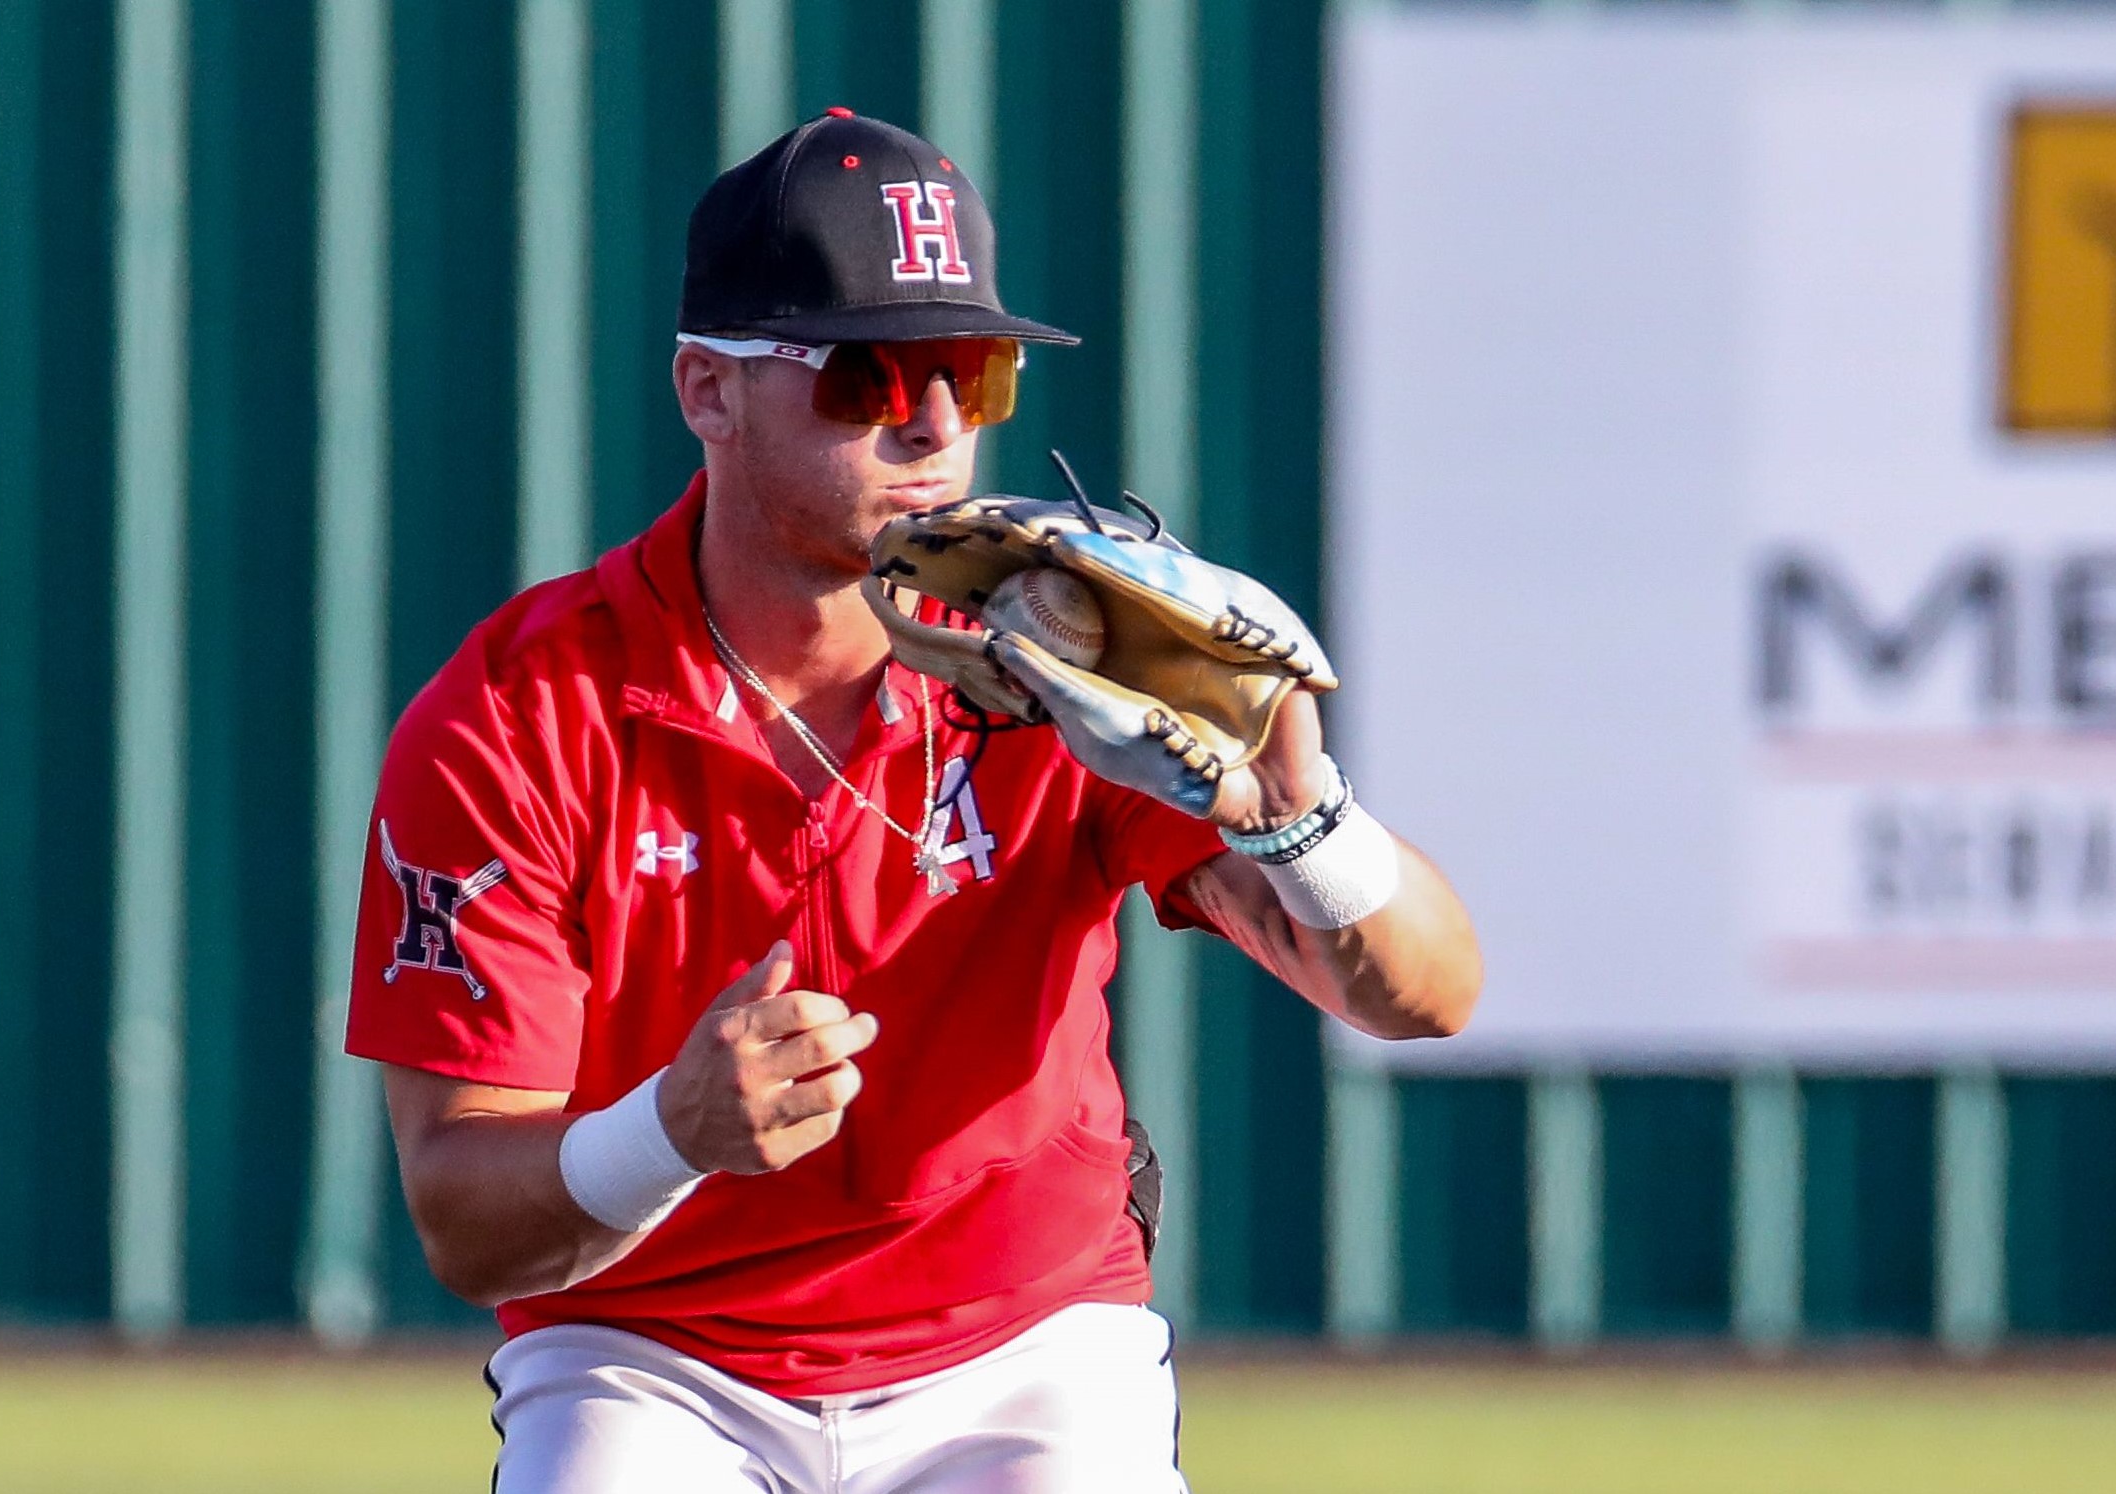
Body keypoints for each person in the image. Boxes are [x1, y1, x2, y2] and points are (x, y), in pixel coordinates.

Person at [348, 110, 1481, 1494]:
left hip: (1019, 1341)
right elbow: (464, 1218)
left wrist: (1301, 815)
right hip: (652, 1350)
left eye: (973, 368)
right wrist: (670, 1131)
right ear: (707, 391)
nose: (935, 423)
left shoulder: (1074, 650)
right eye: (869, 372)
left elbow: (1426, 994)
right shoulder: (522, 711)